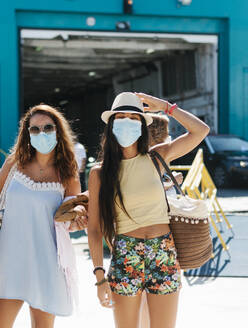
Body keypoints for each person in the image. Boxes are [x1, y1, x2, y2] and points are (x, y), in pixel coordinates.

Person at [88, 92, 209, 328]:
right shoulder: (100, 173)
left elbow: (200, 131)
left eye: (133, 118)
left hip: (163, 251)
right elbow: (94, 229)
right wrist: (99, 276)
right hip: (126, 254)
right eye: (120, 117)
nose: (126, 122)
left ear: (142, 125)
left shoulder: (157, 157)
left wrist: (166, 107)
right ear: (111, 126)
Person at [0, 104, 87, 328]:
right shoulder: (14, 163)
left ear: (58, 130)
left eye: (48, 127)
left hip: (48, 263)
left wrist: (79, 217)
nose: (42, 133)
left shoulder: (68, 174)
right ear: (27, 134)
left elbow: (70, 220)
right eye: (35, 129)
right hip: (9, 261)